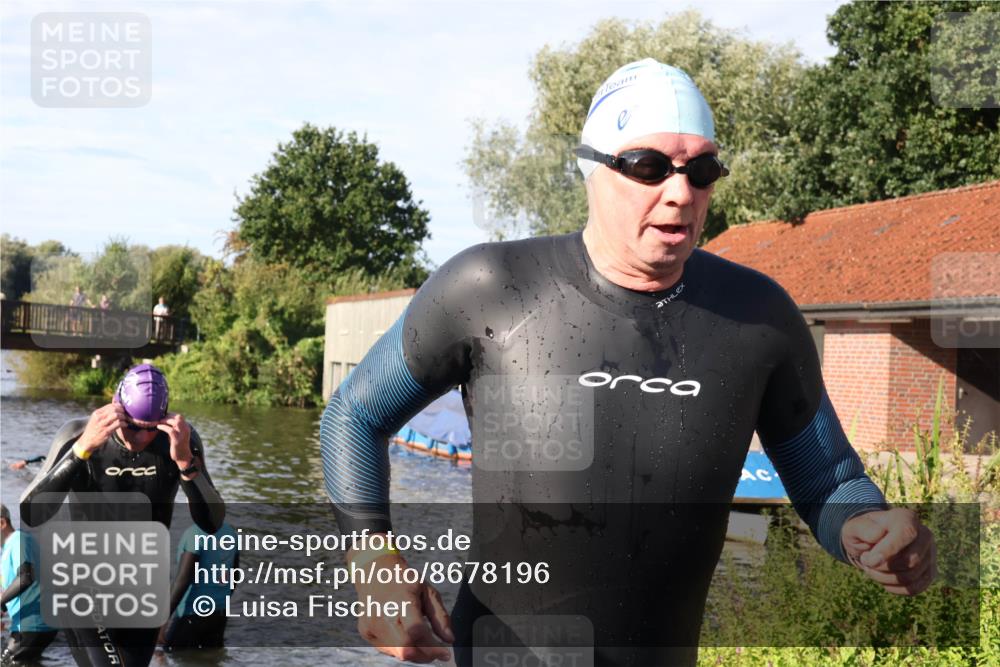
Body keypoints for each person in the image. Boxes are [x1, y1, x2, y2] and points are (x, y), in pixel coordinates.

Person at [319, 59, 937, 666]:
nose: (681, 193)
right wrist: (372, 558)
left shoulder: (759, 316)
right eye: (648, 167)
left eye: (702, 170)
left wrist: (869, 528)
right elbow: (353, 415)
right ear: (592, 169)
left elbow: (829, 481)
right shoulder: (489, 287)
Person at [20, 364, 225, 667]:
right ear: (117, 408)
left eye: (150, 428)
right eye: (132, 426)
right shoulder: (77, 434)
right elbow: (31, 513)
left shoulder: (180, 439)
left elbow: (212, 523)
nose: (140, 437)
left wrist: (185, 463)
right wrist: (81, 451)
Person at [155, 521, 239, 653]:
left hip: (191, 614)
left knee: (165, 653)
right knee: (210, 658)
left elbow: (183, 580)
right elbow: (235, 576)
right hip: (219, 615)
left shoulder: (194, 534)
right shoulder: (230, 532)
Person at [1, 505, 58, 664]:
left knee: (7, 663)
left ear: (2, 523)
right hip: (25, 623)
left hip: (34, 622)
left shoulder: (19, 540)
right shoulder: (7, 549)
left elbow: (25, 577)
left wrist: (1, 601)